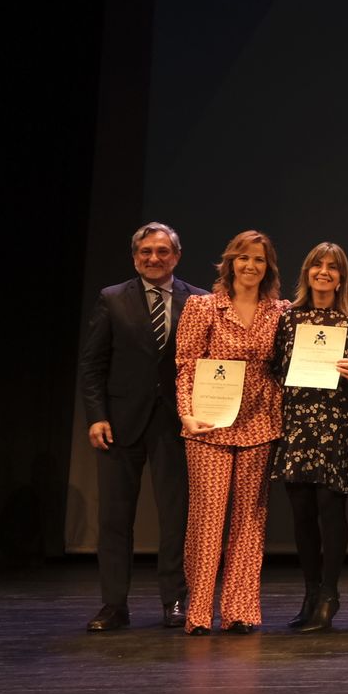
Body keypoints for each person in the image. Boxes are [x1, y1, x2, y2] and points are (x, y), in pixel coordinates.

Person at [78, 222, 207, 631]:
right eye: (146, 252)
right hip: (119, 424)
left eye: (162, 251)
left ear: (176, 256)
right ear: (135, 257)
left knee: (176, 518)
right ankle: (114, 605)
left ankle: (174, 602)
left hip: (176, 423)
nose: (154, 258)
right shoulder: (112, 299)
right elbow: (93, 363)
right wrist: (96, 415)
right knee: (116, 519)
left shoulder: (200, 301)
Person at [175, 229, 288, 635]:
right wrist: (186, 414)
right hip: (209, 423)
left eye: (259, 259)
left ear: (268, 266)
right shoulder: (202, 307)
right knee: (207, 519)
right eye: (243, 258)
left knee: (249, 520)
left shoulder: (280, 311)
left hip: (260, 422)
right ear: (230, 263)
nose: (250, 265)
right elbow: (187, 364)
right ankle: (200, 611)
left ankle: (239, 610)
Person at [270, 242, 348, 632]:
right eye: (317, 265)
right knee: (302, 516)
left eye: (332, 267)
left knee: (331, 512)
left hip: (337, 425)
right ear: (307, 272)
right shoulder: (289, 317)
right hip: (297, 425)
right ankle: (310, 592)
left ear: (342, 276)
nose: (324, 272)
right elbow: (277, 368)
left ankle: (330, 594)